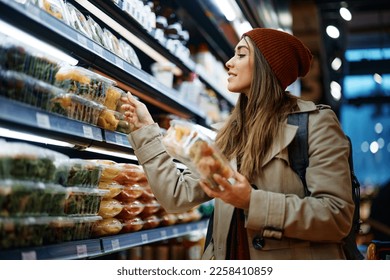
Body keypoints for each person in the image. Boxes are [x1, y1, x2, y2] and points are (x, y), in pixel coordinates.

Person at [120, 28, 355, 260]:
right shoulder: (229, 134)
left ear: (267, 65)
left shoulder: (316, 124)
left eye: (241, 55)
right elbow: (176, 196)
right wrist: (145, 131)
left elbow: (336, 216)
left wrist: (252, 202)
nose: (229, 63)